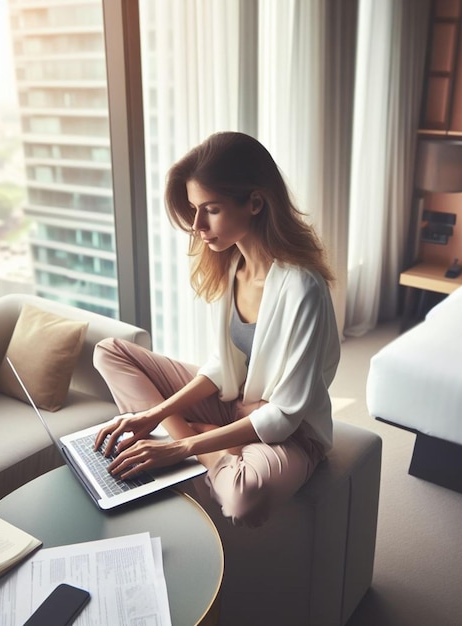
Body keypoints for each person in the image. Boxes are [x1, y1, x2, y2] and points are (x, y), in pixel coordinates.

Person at [93, 131, 341, 526]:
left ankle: (184, 439)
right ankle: (187, 432)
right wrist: (154, 414)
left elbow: (284, 415)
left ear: (255, 202)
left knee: (245, 497)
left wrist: (184, 446)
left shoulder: (302, 288)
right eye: (193, 209)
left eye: (210, 209)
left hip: (290, 430)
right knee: (109, 351)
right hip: (234, 400)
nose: (197, 225)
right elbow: (223, 367)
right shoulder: (230, 266)